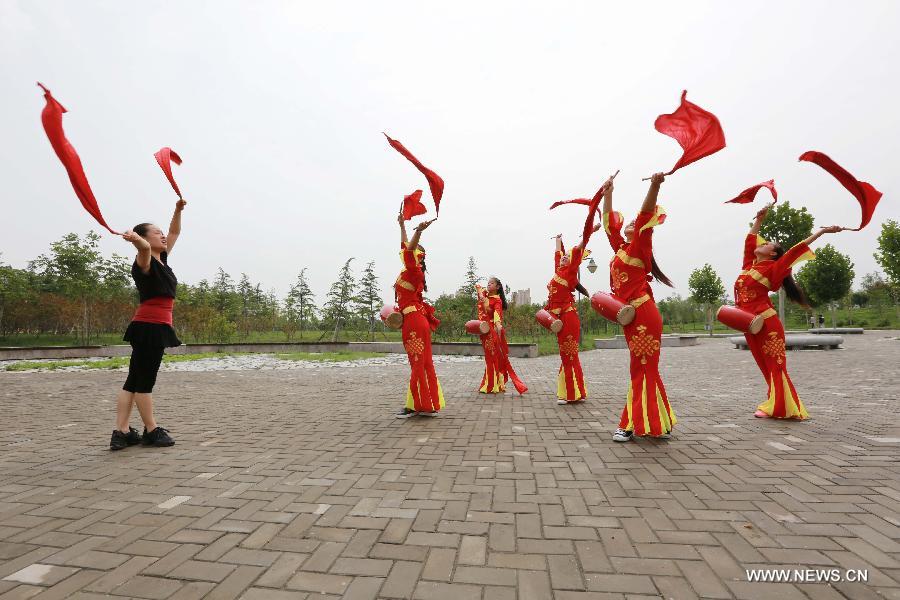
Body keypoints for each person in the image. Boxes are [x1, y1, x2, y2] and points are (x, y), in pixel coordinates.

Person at [736, 203, 843, 419]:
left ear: (773, 253)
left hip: (767, 324)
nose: (762, 243)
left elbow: (796, 249)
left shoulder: (774, 267)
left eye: (767, 243)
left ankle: (781, 407)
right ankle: (774, 401)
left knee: (775, 365)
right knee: (764, 365)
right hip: (750, 323)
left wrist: (822, 232)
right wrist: (759, 219)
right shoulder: (749, 267)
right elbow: (749, 242)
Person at [599, 173, 676, 442]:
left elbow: (644, 215)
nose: (631, 222)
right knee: (645, 367)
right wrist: (609, 193)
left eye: (634, 222)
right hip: (631, 316)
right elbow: (609, 226)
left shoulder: (641, 246)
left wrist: (654, 185)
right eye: (628, 221)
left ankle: (630, 423)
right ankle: (658, 421)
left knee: (641, 367)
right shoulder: (621, 248)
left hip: (643, 313)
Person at [110, 199, 186, 450]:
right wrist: (135, 239)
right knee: (144, 382)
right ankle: (152, 430)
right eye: (156, 232)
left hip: (150, 326)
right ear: (144, 238)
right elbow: (143, 247)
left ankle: (121, 432)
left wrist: (177, 209)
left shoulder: (162, 258)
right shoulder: (144, 261)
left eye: (161, 232)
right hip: (150, 327)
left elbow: (174, 232)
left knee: (133, 381)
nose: (163, 235)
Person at [394, 211, 444, 418]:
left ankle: (414, 406)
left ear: (418, 257)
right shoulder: (408, 271)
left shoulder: (414, 271)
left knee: (418, 363)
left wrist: (419, 232)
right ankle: (427, 404)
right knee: (422, 363)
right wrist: (402, 225)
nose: (408, 251)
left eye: (413, 251)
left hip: (414, 322)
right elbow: (406, 246)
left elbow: (409, 248)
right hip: (414, 320)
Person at [544, 234, 590, 404]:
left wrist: (588, 233)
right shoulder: (558, 272)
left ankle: (569, 394)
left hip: (568, 317)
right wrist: (558, 240)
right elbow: (558, 255)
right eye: (564, 256)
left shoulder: (570, 273)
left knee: (568, 354)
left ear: (573, 263)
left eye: (568, 257)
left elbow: (577, 252)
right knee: (569, 355)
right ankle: (577, 391)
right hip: (560, 318)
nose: (564, 257)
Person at [475, 277, 527, 395]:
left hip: (492, 330)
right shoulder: (486, 295)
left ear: (497, 287)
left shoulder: (497, 300)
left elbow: (497, 313)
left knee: (492, 357)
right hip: (484, 330)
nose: (489, 284)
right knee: (489, 357)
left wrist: (498, 325)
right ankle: (494, 383)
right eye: (488, 283)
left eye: (492, 283)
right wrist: (481, 294)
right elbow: (478, 289)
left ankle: (492, 384)